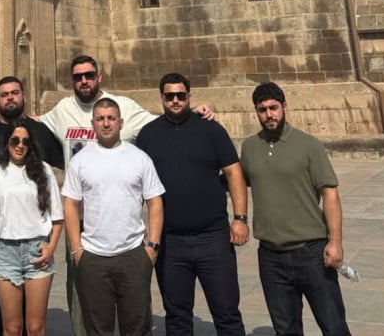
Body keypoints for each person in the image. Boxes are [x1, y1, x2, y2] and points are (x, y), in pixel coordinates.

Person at [38, 54, 213, 335]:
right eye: (78, 77)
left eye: (89, 75)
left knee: (134, 313)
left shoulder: (125, 107)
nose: (84, 81)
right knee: (85, 307)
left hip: (126, 235)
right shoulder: (62, 109)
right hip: (84, 232)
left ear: (99, 77)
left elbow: (163, 122)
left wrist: (194, 114)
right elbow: (33, 124)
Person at [136, 72, 248, 335]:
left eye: (181, 96)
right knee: (176, 317)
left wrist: (240, 218)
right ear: (161, 98)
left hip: (213, 238)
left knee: (227, 312)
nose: (175, 101)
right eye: (169, 96)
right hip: (170, 241)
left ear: (189, 96)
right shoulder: (149, 135)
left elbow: (233, 172)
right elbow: (137, 183)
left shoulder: (210, 129)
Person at [241, 82, 352, 336]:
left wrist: (335, 241)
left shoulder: (308, 145)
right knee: (286, 330)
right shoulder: (249, 148)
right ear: (256, 112)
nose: (269, 114)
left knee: (334, 326)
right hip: (271, 258)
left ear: (284, 107)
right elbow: (234, 180)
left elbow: (330, 194)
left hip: (311, 253)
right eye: (262, 110)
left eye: (273, 108)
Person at [0, 76, 63, 336]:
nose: (10, 98)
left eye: (15, 93)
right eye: (4, 94)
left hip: (34, 245)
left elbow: (69, 157)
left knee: (34, 324)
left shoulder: (40, 130)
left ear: (24, 97)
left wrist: (51, 246)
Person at [62, 97, 165, 336]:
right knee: (97, 329)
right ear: (93, 124)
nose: (106, 123)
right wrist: (77, 250)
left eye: (111, 118)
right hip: (94, 259)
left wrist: (152, 248)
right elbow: (70, 204)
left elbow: (155, 201)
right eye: (100, 119)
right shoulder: (81, 161)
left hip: (133, 256)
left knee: (137, 328)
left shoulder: (139, 158)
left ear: (121, 122)